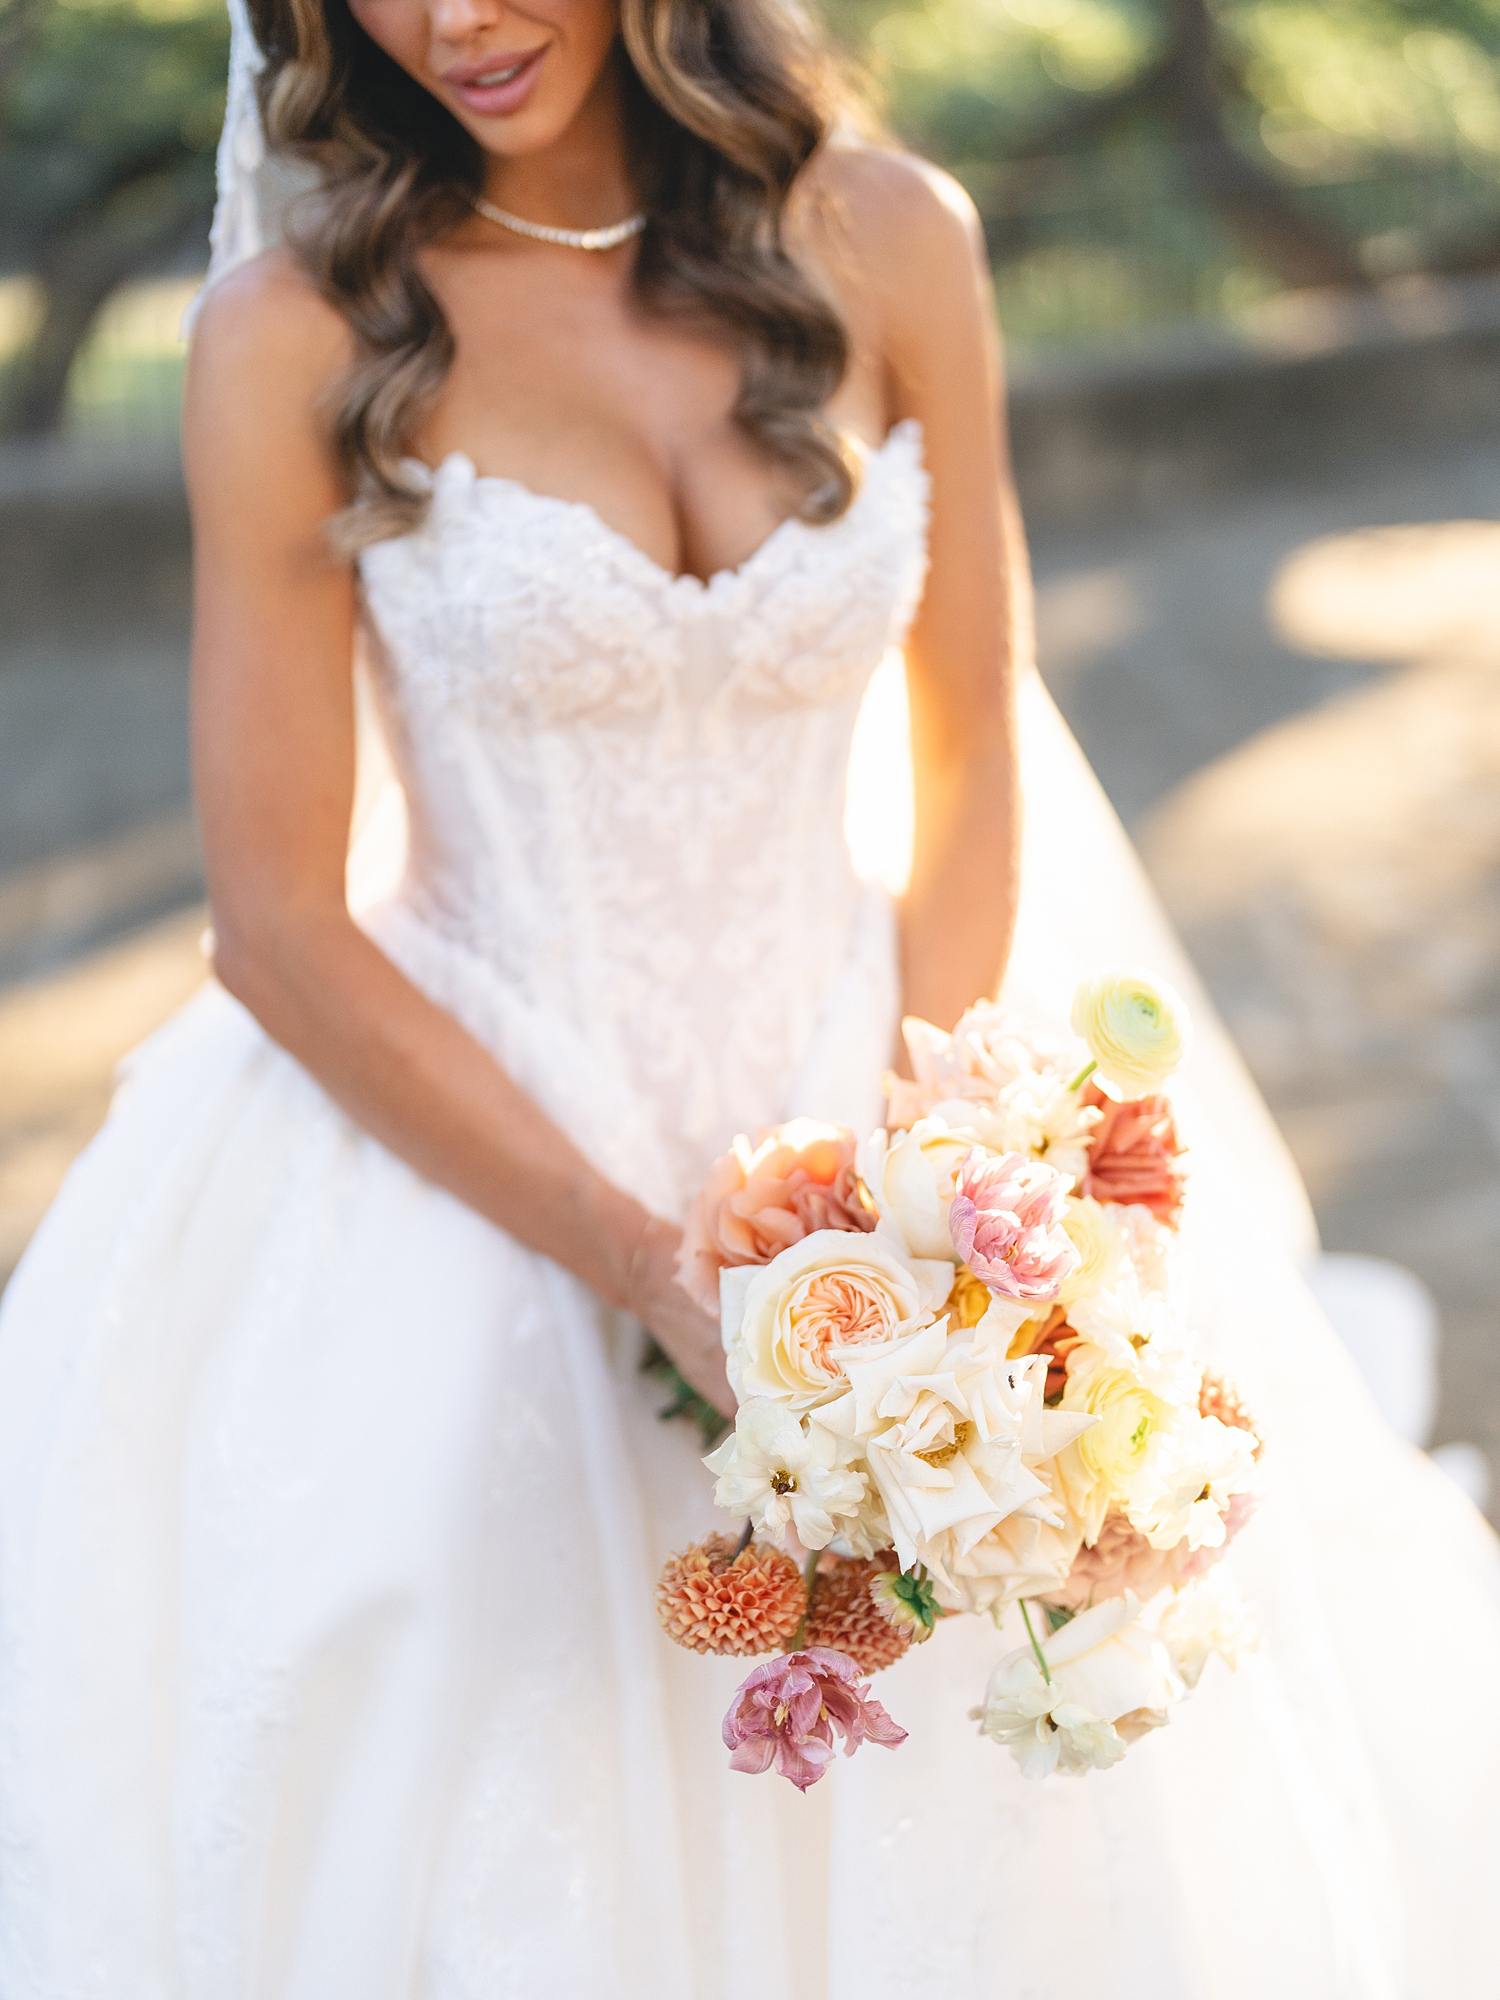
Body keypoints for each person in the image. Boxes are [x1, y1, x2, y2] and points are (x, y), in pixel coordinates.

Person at [1, 0, 1497, 1988]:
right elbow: (277, 926)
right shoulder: (292, 337)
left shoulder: (894, 236)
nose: (448, 18)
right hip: (481, 1150)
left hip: (883, 1067)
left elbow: (971, 750)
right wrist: (645, 1259)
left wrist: (929, 1187)